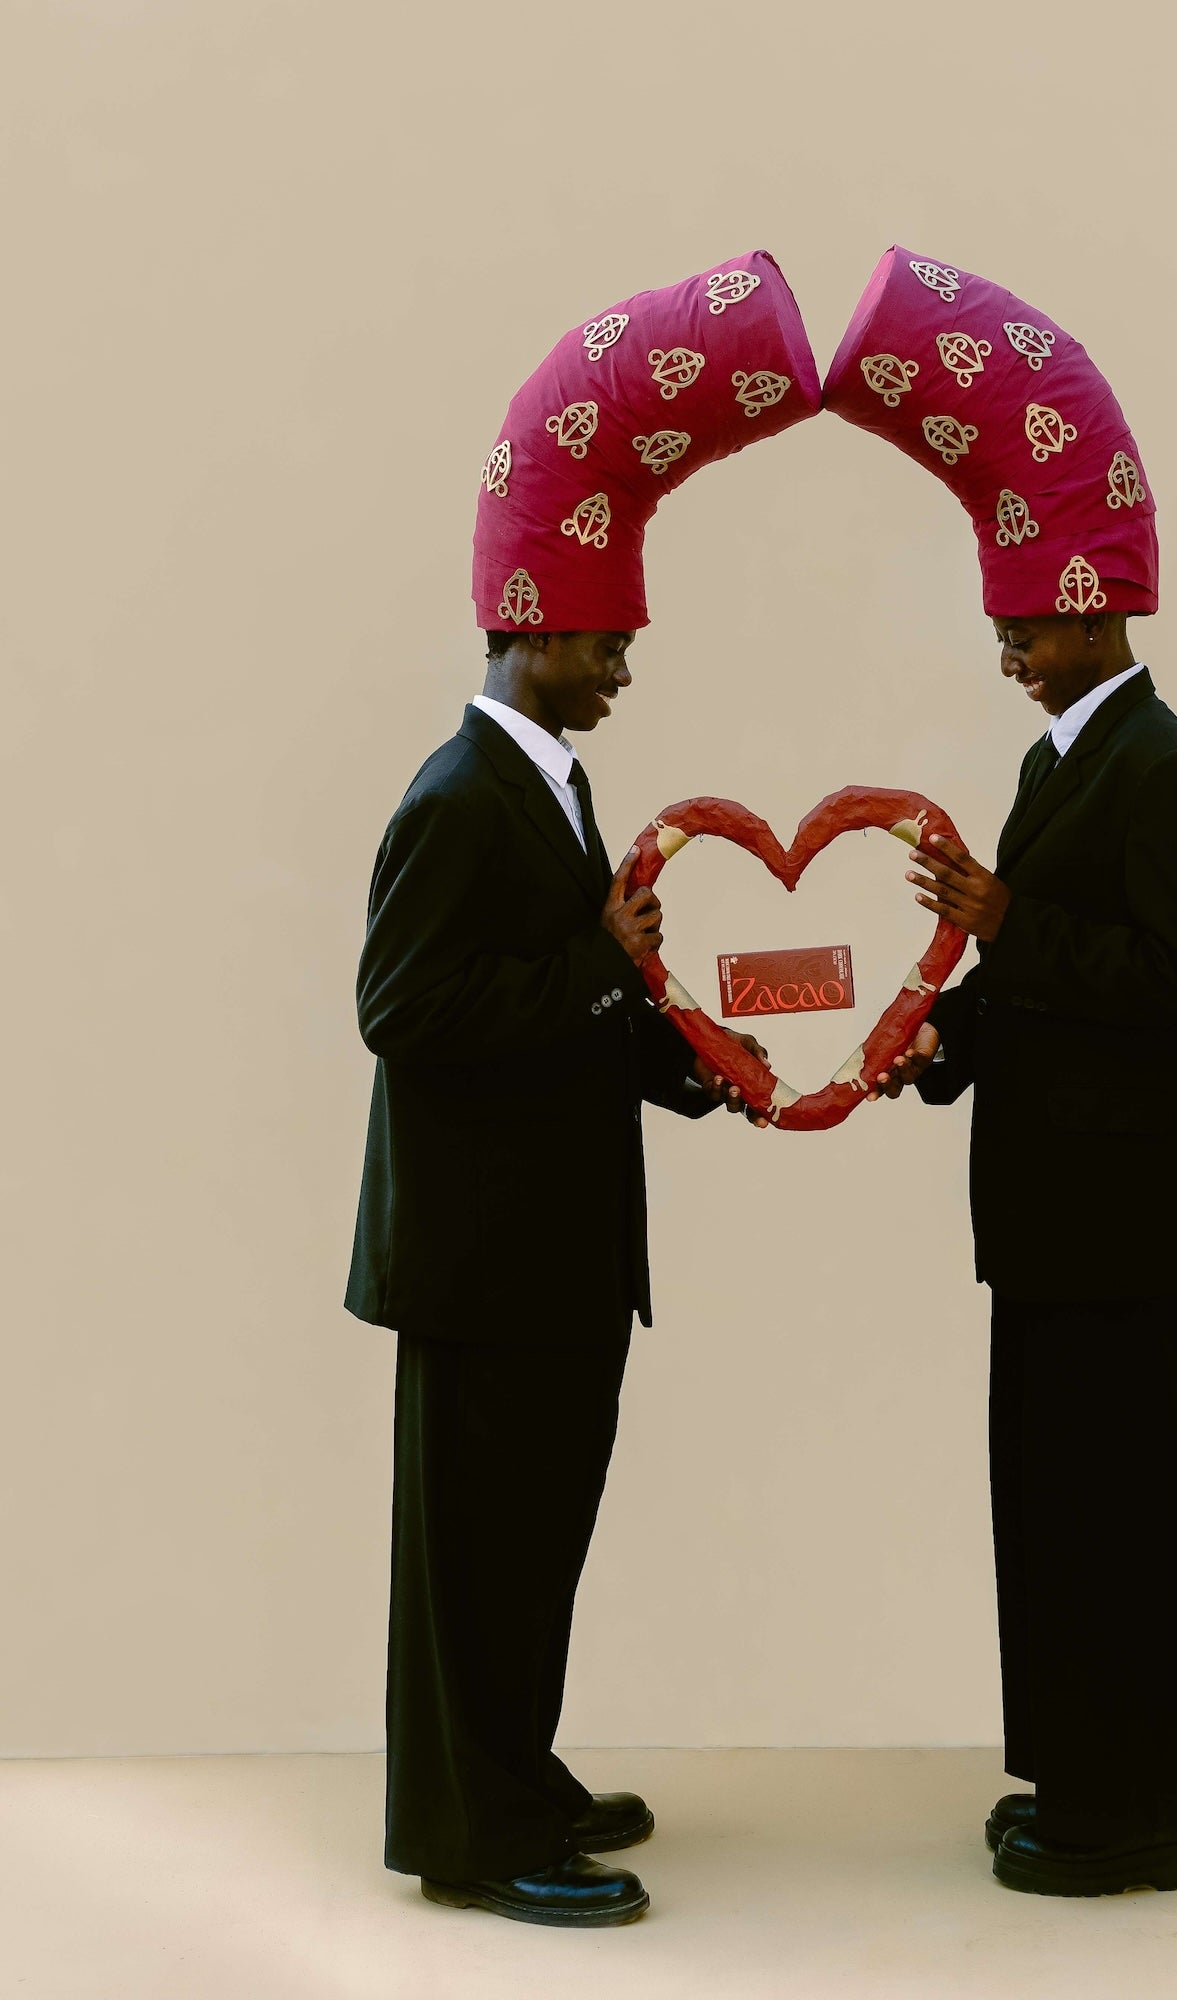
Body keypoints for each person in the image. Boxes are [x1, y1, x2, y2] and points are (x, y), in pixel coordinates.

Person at [346, 253, 820, 1928]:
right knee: (476, 1557)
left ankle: (519, 1772)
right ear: (534, 624)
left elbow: (565, 1007)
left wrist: (706, 1068)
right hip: (482, 1266)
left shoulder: (548, 782)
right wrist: (607, 968)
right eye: (608, 637)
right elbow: (401, 1009)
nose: (623, 663)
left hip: (548, 1254)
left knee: (536, 1539)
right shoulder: (461, 795)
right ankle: (474, 1841)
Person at [826, 248, 1177, 1897]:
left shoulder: (1165, 767)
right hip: (1057, 1215)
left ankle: (1140, 1819)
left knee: (1125, 1523)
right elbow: (1048, 980)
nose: (1006, 642)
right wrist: (942, 1040)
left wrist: (1014, 929)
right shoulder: (1056, 754)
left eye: (1025, 617)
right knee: (1057, 1516)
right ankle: (1077, 1776)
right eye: (1003, 616)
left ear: (1092, 603)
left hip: (1125, 1227)